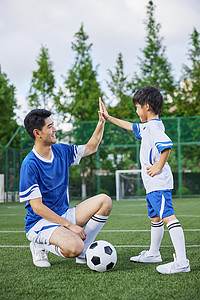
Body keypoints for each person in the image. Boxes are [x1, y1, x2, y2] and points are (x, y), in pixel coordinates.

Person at [100, 86, 190, 274]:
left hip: (159, 183)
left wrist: (158, 167)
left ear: (146, 106)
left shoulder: (154, 128)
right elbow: (130, 126)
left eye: (137, 107)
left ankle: (182, 261)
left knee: (167, 217)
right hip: (152, 184)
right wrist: (108, 118)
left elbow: (166, 146)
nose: (136, 111)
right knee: (155, 217)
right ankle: (153, 253)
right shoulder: (150, 126)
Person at [19, 100, 112, 268]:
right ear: (37, 133)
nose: (55, 129)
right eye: (50, 126)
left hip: (62, 215)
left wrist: (101, 122)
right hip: (40, 223)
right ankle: (38, 245)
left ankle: (84, 252)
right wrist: (70, 226)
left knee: (105, 201)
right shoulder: (29, 164)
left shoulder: (61, 150)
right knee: (74, 246)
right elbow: (37, 207)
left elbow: (91, 147)